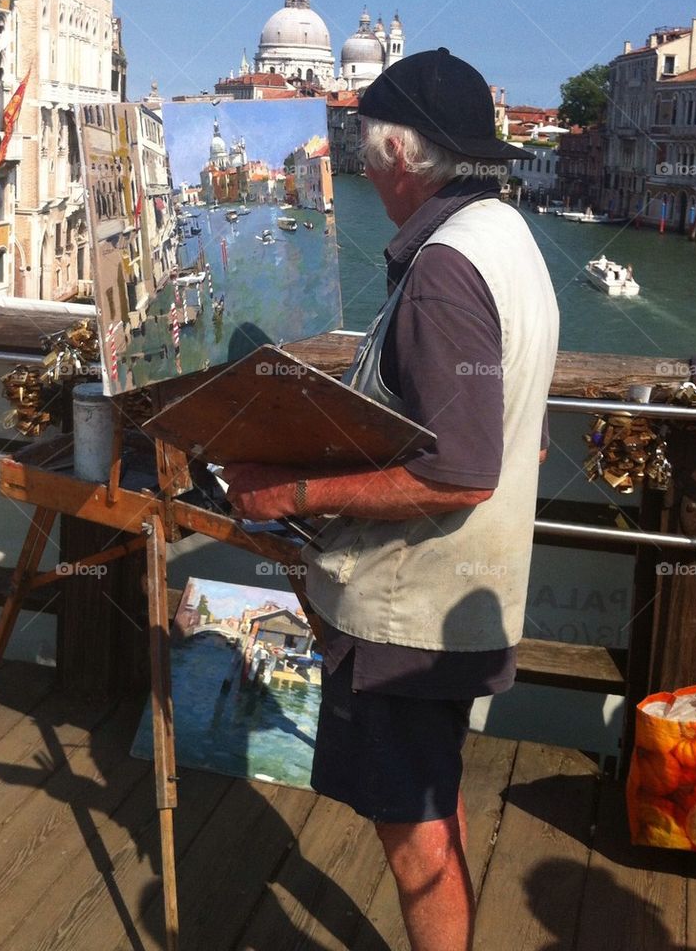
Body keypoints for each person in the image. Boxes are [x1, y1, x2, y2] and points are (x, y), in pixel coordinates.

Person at [225, 47, 559, 951]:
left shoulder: (446, 270)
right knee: (431, 809)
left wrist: (289, 489)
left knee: (414, 843)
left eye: (366, 151)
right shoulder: (504, 237)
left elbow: (460, 469)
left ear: (402, 158)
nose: (360, 168)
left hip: (410, 616)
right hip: (456, 602)